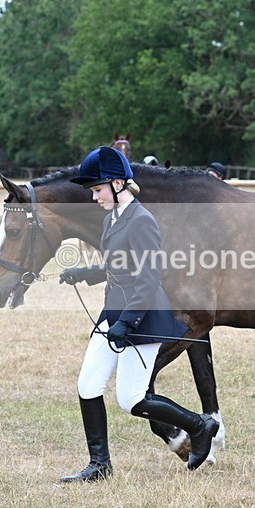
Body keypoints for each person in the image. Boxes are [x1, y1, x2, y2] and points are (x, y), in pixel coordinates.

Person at [58, 146, 219, 482]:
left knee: (131, 400)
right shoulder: (112, 218)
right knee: (88, 384)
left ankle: (200, 425)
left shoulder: (142, 221)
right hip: (113, 315)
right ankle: (99, 465)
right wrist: (88, 273)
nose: (94, 197)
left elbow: (148, 279)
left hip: (141, 318)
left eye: (97, 189)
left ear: (118, 184)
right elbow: (120, 264)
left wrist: (126, 323)